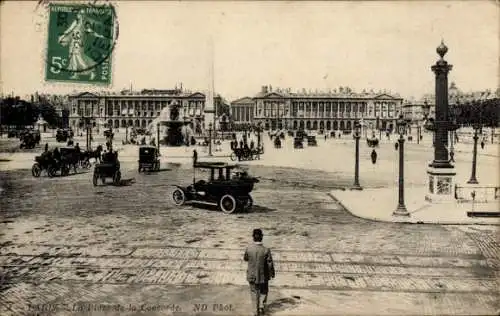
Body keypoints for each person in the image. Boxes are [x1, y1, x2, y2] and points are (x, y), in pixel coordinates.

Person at [244, 229, 275, 316]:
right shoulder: (266, 250)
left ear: (253, 237)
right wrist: (272, 273)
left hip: (252, 275)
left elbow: (245, 258)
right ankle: (261, 306)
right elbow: (269, 263)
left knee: (254, 293)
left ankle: (255, 312)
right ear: (262, 237)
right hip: (263, 275)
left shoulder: (248, 249)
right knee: (264, 291)